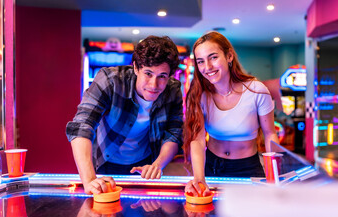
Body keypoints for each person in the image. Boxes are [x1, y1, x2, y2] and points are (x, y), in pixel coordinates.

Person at [66, 36, 183, 195]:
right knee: (105, 216)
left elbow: (174, 134)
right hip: (105, 161)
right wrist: (89, 179)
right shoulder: (110, 80)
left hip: (146, 163)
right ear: (136, 68)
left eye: (162, 76)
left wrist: (157, 165)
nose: (153, 85)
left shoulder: (173, 89)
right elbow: (82, 126)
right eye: (148, 73)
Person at [183, 32, 279, 196]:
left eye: (213, 57)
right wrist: (199, 177)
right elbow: (197, 140)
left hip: (248, 167)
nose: (207, 67)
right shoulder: (199, 94)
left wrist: (274, 174)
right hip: (212, 165)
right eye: (201, 61)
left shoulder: (256, 90)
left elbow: (270, 133)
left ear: (229, 56)